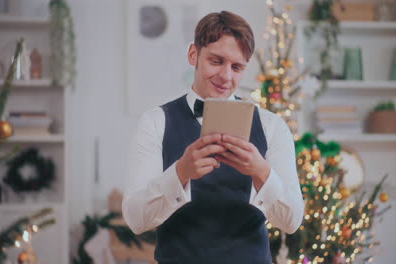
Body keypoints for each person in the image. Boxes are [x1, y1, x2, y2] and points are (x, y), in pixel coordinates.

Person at [122, 10, 304, 264]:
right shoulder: (155, 123)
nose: (226, 76)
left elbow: (292, 222)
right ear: (193, 54)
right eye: (216, 61)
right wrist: (180, 172)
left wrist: (261, 172)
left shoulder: (272, 127)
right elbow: (135, 219)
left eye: (237, 67)